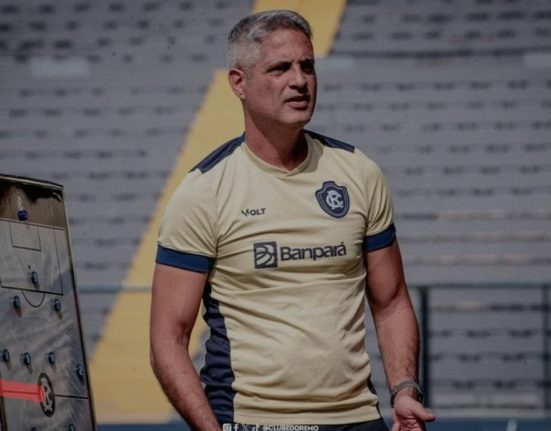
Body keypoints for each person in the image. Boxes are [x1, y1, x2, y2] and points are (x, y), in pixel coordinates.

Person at [150, 9, 435, 431]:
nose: (300, 80)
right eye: (280, 68)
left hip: (358, 418)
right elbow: (167, 340)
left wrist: (405, 390)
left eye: (308, 66)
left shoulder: (359, 173)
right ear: (238, 83)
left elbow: (391, 302)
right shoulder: (204, 191)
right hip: (253, 420)